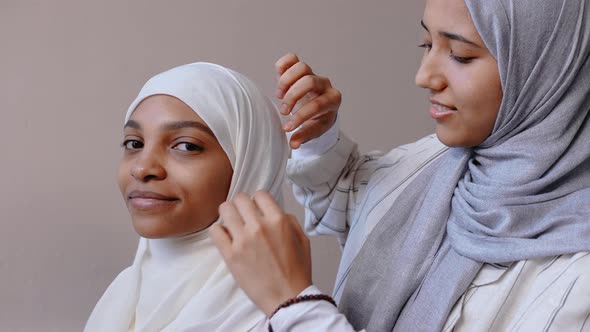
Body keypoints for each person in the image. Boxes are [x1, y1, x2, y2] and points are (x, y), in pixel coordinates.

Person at [209, 0, 590, 330]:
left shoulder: (578, 275)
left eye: (460, 55)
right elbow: (359, 206)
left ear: (548, 67)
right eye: (426, 43)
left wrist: (293, 306)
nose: (423, 76)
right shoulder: (434, 164)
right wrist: (320, 137)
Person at [85, 62, 289, 331]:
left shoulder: (282, 318)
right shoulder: (123, 297)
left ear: (250, 165)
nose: (143, 168)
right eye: (134, 143)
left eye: (186, 146)